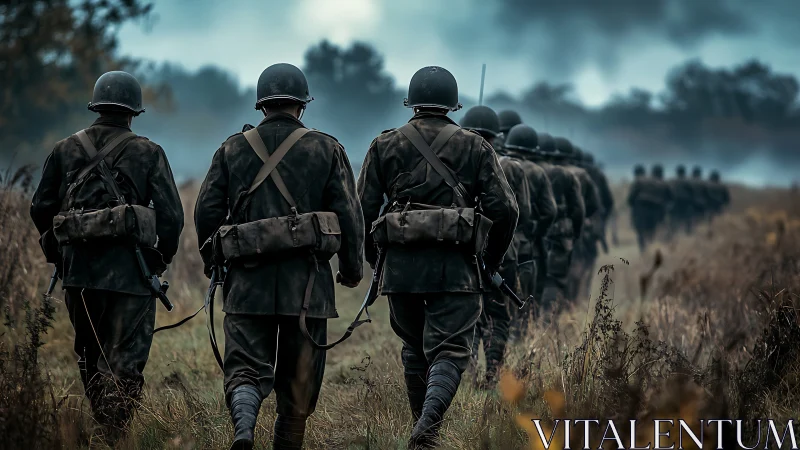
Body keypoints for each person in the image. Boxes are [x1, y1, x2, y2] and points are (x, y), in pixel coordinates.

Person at [194, 63, 365, 450]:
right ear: (302, 106)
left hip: (246, 284)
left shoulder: (231, 148)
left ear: (261, 106)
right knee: (298, 382)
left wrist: (214, 262)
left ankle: (243, 431)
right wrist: (351, 269)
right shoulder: (327, 148)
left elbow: (205, 211)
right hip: (306, 287)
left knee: (244, 370)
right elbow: (350, 216)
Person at [358, 66, 518, 448]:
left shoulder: (385, 144)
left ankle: (424, 432)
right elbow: (506, 209)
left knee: (414, 347)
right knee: (450, 350)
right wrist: (489, 260)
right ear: (453, 105)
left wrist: (373, 262)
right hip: (457, 267)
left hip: (401, 267)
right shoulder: (476, 146)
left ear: (410, 103)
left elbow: (360, 209)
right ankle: (427, 429)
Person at [30, 71, 184, 441]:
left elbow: (40, 208)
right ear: (134, 112)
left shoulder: (64, 149)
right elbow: (172, 217)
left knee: (89, 353)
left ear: (96, 106)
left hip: (79, 274)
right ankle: (114, 433)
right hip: (132, 274)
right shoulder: (148, 152)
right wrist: (158, 259)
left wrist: (59, 254)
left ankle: (104, 427)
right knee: (125, 360)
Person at [460, 106, 533, 387]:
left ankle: (470, 370)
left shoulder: (455, 158)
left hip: (462, 247)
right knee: (498, 315)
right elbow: (518, 211)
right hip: (502, 252)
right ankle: (491, 374)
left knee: (468, 312)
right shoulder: (508, 165)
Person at [500, 125, 557, 330]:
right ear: (533, 147)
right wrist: (536, 231)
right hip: (524, 241)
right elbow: (549, 211)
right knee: (525, 291)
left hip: (494, 239)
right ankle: (521, 331)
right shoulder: (537, 172)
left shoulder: (495, 162)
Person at [528, 132, 584, 313]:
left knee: (529, 277)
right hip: (558, 234)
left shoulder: (524, 170)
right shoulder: (566, 175)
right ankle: (546, 321)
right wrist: (575, 234)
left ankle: (529, 322)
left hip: (530, 232)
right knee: (554, 279)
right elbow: (578, 210)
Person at [552, 138, 600, 303]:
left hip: (548, 227)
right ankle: (572, 300)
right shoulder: (580, 174)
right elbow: (593, 205)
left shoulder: (544, 170)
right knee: (574, 264)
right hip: (571, 226)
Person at [577, 148, 613, 297]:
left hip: (575, 223)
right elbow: (608, 201)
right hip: (592, 223)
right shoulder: (598, 175)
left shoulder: (572, 172)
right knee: (590, 257)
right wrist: (602, 220)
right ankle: (584, 290)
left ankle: (576, 291)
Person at [669, 165, 695, 236]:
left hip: (675, 202)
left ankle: (672, 233)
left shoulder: (672, 181)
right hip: (685, 203)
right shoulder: (688, 181)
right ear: (684, 172)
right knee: (687, 220)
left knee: (674, 219)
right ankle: (687, 234)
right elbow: (692, 192)